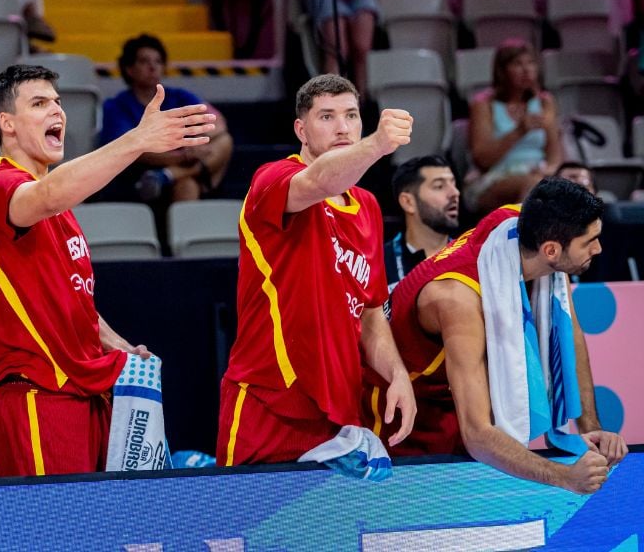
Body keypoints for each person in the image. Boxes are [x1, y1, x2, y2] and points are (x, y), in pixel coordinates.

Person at [0, 64, 215, 476]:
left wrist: (120, 346)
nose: (57, 112)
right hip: (39, 395)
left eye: (58, 103)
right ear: (6, 123)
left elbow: (74, 302)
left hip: (87, 392)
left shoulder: (62, 213)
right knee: (56, 536)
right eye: (40, 104)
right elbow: (47, 193)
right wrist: (135, 142)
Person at [363, 179, 627, 493]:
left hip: (454, 393)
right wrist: (564, 477)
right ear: (551, 250)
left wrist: (592, 430)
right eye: (590, 242)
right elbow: (477, 435)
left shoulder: (522, 221)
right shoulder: (457, 300)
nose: (598, 249)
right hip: (403, 415)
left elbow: (566, 328)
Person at [218, 73, 417, 466]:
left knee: (327, 529)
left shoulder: (368, 207)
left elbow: (372, 312)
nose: (343, 127)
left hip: (340, 413)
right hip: (270, 400)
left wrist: (398, 375)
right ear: (301, 129)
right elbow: (320, 180)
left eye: (351, 115)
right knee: (247, 526)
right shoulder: (273, 179)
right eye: (326, 117)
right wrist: (378, 144)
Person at [100, 34, 233, 202]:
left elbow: (218, 124)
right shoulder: (116, 105)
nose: (153, 67)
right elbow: (132, 150)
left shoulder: (179, 96)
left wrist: (194, 148)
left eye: (158, 61)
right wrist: (182, 155)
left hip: (185, 165)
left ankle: (169, 175)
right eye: (144, 61)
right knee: (188, 184)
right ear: (129, 69)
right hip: (138, 174)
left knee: (224, 141)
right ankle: (171, 174)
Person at [466, 39, 563, 215]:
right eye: (518, 64)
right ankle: (518, 239)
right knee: (534, 186)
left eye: (531, 63)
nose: (527, 70)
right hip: (497, 176)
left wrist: (547, 170)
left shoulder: (544, 101)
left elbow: (554, 155)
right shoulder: (484, 104)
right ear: (502, 71)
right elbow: (483, 160)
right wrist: (519, 132)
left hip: (539, 173)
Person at [384, 155, 460, 293]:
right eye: (439, 186)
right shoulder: (379, 263)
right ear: (408, 202)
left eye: (453, 184)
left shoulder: (472, 257)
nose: (455, 193)